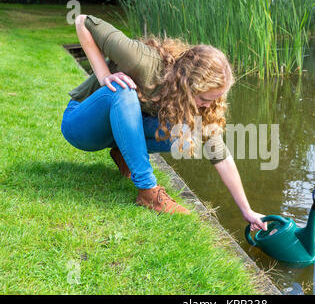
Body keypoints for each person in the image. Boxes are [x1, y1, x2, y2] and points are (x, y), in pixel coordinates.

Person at [61, 14, 267, 232]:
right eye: (204, 99)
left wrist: (247, 210)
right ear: (187, 85)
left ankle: (125, 153)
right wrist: (103, 75)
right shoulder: (141, 61)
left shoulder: (203, 104)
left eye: (214, 99)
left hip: (117, 129)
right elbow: (83, 21)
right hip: (81, 126)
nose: (208, 105)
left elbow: (220, 156)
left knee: (189, 135)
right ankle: (148, 192)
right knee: (124, 89)